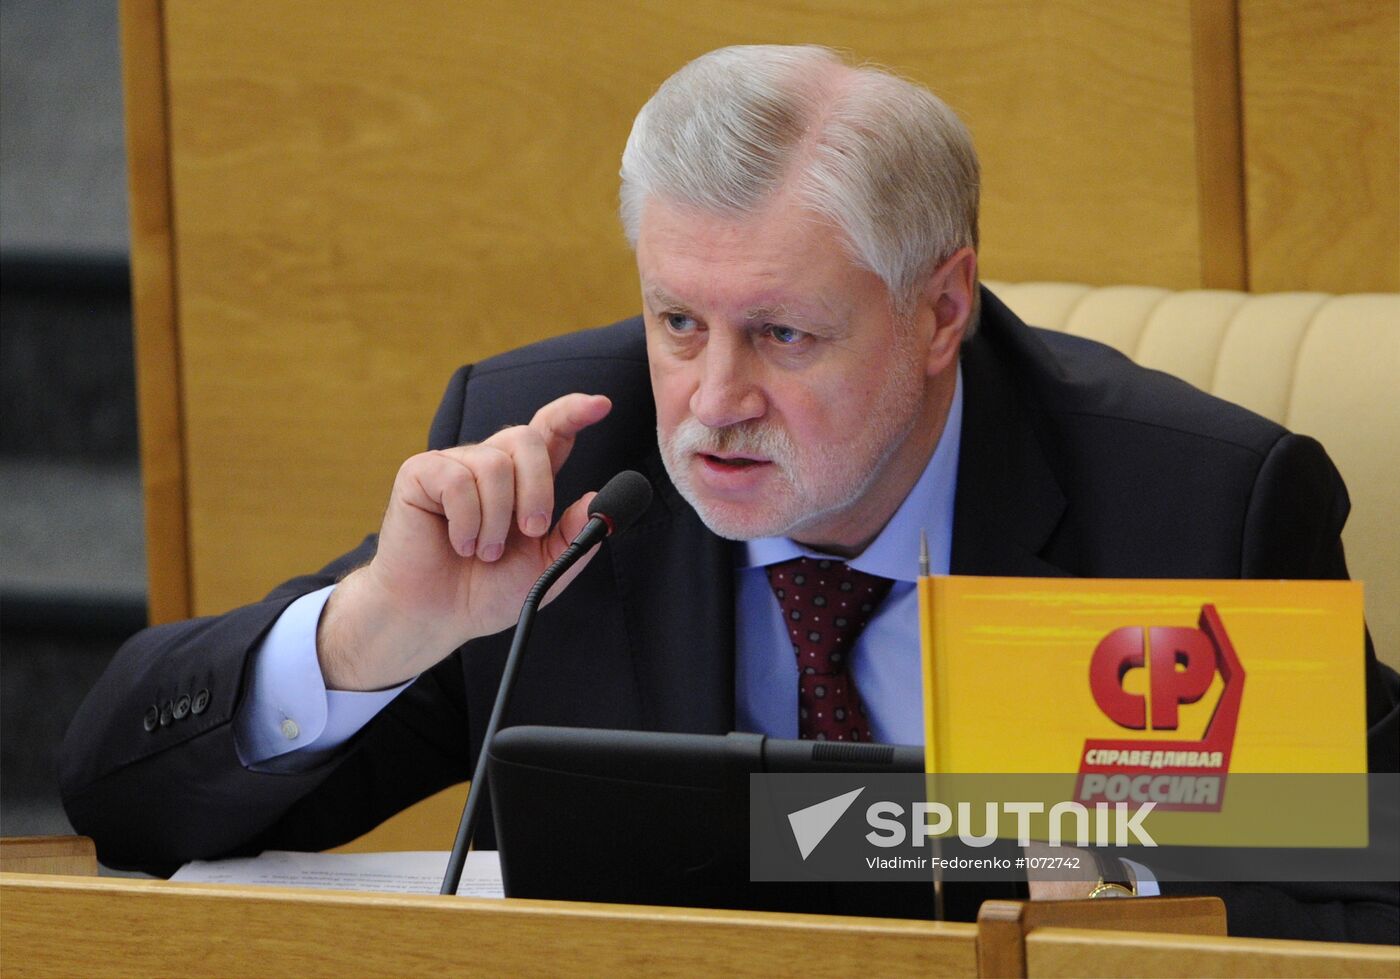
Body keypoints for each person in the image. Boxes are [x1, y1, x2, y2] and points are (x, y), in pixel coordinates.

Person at [61, 44, 1397, 940]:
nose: (710, 401)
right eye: (677, 322)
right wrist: (374, 633)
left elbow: (1372, 874)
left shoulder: (1192, 511)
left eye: (784, 335)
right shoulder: (576, 466)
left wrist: (1108, 876)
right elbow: (118, 794)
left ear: (941, 310)